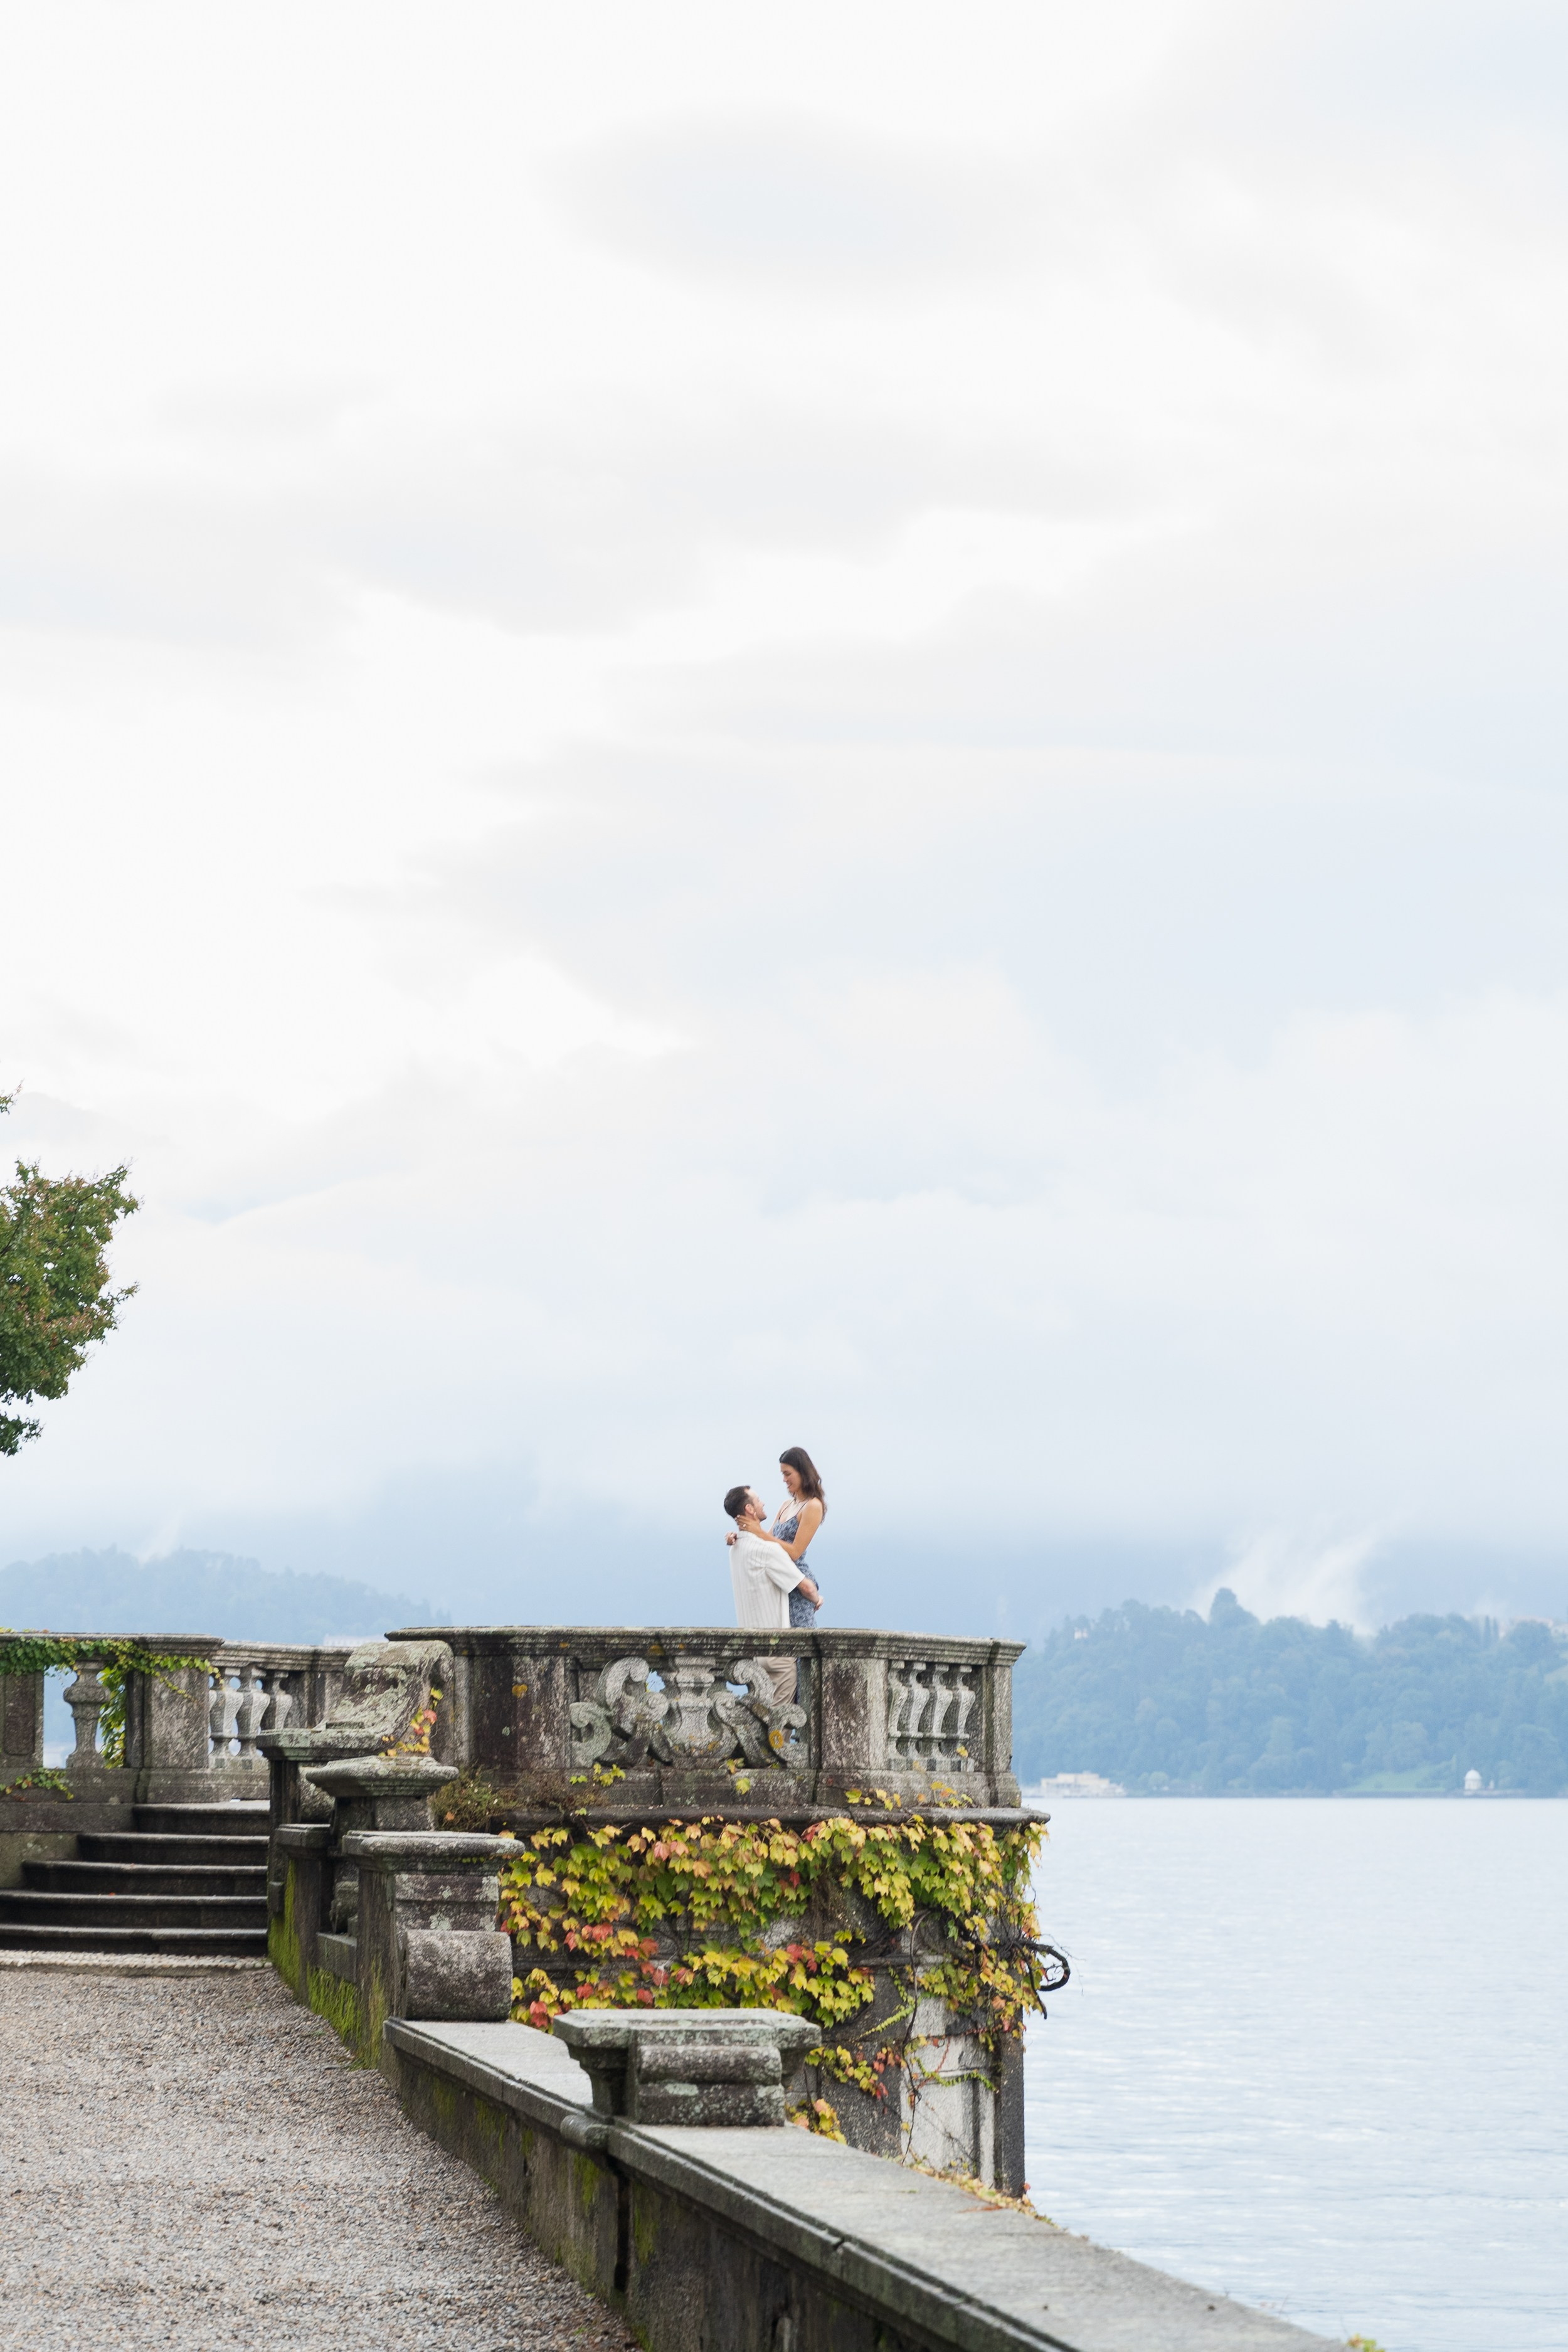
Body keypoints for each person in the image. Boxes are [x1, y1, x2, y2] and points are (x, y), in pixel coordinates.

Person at [724, 1483, 820, 1708]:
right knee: (780, 1727)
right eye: (758, 1500)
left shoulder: (735, 1549)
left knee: (762, 1721)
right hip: (777, 1653)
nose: (763, 1503)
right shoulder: (769, 1551)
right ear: (749, 1509)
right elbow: (805, 1587)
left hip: (754, 1652)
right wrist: (817, 1599)